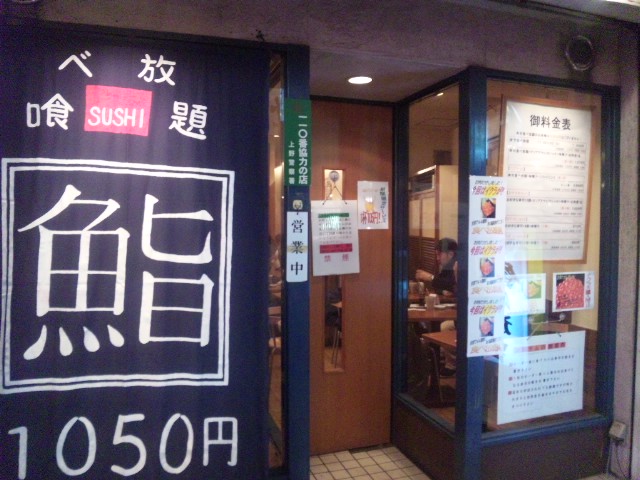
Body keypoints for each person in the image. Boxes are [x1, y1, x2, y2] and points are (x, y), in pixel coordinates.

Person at [415, 238, 458, 377]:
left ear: (450, 254)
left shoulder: (457, 265)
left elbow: (450, 284)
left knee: (444, 327)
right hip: (451, 310)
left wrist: (431, 277)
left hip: (459, 316)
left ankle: (451, 365)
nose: (437, 258)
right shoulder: (447, 267)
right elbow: (443, 285)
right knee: (432, 325)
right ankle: (435, 359)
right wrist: (444, 289)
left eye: (439, 254)